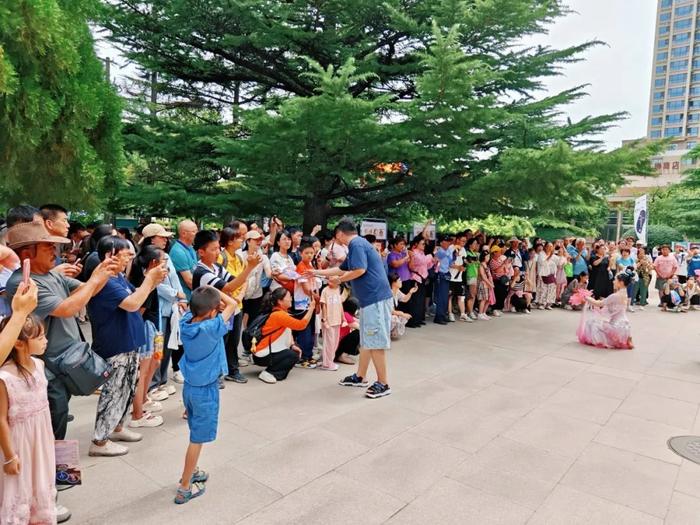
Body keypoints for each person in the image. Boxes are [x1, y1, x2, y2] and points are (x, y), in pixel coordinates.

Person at [88, 237, 168, 454]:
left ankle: (117, 427)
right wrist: (150, 280)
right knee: (114, 392)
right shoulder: (106, 281)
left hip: (128, 341)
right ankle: (100, 441)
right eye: (125, 255)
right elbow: (132, 304)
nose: (129, 260)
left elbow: (136, 296)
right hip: (115, 345)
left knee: (126, 389)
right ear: (109, 255)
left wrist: (153, 281)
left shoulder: (118, 278)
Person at [311, 219, 394, 399]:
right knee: (367, 340)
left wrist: (339, 280)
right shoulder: (358, 244)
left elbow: (360, 270)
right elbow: (340, 269)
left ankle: (383, 383)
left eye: (336, 235)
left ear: (340, 233)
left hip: (375, 299)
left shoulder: (356, 244)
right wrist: (315, 272)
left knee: (375, 341)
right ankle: (360, 376)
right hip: (370, 300)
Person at [175, 286, 237, 504]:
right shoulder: (212, 327)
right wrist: (217, 291)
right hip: (206, 390)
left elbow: (198, 309)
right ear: (213, 310)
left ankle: (192, 471)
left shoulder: (185, 323)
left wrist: (209, 299)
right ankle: (184, 486)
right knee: (197, 439)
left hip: (190, 387)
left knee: (195, 430)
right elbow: (233, 304)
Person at [0, 311, 56, 525]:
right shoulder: (5, 377)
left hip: (41, 442)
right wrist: (9, 456)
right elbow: (1, 419)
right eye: (40, 337)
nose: (46, 341)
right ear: (19, 344)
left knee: (40, 486)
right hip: (18, 445)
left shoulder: (39, 365)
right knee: (18, 491)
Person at [192, 230, 260, 384]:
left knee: (231, 343)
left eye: (218, 248)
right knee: (214, 346)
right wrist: (250, 268)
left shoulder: (217, 267)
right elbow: (229, 286)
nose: (218, 252)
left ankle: (228, 371)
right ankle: (212, 375)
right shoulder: (202, 272)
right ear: (201, 252)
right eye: (213, 249)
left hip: (225, 312)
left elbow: (235, 280)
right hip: (208, 318)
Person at [127, 245, 170, 429]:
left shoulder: (149, 282)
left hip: (152, 328)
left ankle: (143, 400)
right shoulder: (145, 284)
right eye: (164, 263)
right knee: (142, 374)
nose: (166, 269)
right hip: (145, 329)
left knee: (153, 365)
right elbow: (138, 311)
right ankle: (137, 415)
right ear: (153, 263)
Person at [253, 288, 315, 383]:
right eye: (289, 296)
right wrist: (311, 309)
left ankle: (273, 371)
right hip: (263, 354)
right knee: (292, 355)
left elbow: (288, 331)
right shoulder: (279, 315)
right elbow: (301, 325)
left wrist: (292, 345)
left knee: (294, 354)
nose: (291, 299)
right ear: (280, 301)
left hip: (265, 353)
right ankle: (269, 372)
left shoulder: (281, 313)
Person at [168, 220, 199, 384]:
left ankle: (185, 366)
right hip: (183, 301)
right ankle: (177, 369)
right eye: (193, 231)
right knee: (180, 336)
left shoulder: (191, 249)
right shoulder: (178, 251)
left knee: (187, 336)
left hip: (191, 299)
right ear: (184, 233)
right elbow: (189, 280)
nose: (196, 233)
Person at [577, 271, 634, 350]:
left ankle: (608, 340)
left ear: (621, 283)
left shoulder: (615, 296)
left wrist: (586, 297)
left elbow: (599, 303)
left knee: (591, 323)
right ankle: (627, 338)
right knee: (598, 322)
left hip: (616, 327)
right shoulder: (625, 294)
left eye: (615, 280)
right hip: (625, 326)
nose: (613, 282)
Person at [293, 241, 319, 368]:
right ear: (300, 253)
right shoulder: (301, 267)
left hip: (311, 303)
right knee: (305, 330)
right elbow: (306, 288)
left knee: (311, 329)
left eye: (311, 253)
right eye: (306, 253)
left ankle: (308, 355)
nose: (309, 255)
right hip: (303, 304)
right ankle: (303, 357)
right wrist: (317, 297)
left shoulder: (310, 266)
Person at [407, 236, 433, 327]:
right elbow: (421, 261)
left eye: (424, 244)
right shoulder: (414, 253)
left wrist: (433, 261)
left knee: (421, 300)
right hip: (415, 278)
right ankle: (413, 320)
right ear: (416, 244)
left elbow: (427, 266)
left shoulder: (422, 253)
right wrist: (430, 256)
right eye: (422, 244)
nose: (424, 245)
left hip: (423, 278)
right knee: (415, 301)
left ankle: (419, 319)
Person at [319, 277, 343, 370]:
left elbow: (340, 304)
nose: (329, 281)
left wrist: (343, 318)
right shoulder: (325, 290)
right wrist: (324, 319)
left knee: (335, 342)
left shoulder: (338, 289)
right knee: (329, 343)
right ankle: (327, 364)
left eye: (331, 280)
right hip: (329, 320)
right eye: (329, 280)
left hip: (337, 320)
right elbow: (323, 305)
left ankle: (330, 361)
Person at [432, 234, 454, 325]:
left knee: (445, 296)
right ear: (441, 242)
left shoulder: (448, 250)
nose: (448, 243)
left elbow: (450, 262)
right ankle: (439, 317)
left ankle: (443, 315)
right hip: (440, 274)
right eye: (446, 241)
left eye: (449, 241)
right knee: (441, 297)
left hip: (446, 273)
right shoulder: (440, 251)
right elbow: (444, 255)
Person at [448, 233, 469, 322]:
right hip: (450, 276)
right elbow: (448, 263)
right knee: (450, 296)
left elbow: (464, 261)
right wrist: (458, 267)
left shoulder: (463, 250)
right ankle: (450, 313)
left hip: (459, 277)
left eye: (465, 241)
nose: (464, 242)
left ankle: (463, 314)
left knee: (461, 296)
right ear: (457, 240)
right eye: (462, 241)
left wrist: (464, 267)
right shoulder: (451, 248)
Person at [389, 273, 416, 339]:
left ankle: (392, 332)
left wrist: (410, 292)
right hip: (385, 315)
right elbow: (391, 311)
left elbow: (404, 299)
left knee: (402, 317)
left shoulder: (397, 291)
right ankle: (387, 332)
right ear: (394, 283)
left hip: (390, 313)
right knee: (396, 318)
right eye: (399, 280)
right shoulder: (389, 293)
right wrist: (403, 314)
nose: (401, 282)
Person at [335, 299, 360, 365]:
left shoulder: (345, 314)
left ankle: (342, 354)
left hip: (336, 345)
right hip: (336, 347)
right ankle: (342, 356)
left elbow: (358, 321)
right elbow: (359, 327)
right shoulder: (346, 315)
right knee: (358, 333)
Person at [536, 242, 559, 309]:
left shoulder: (554, 255)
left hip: (551, 275)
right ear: (545, 247)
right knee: (543, 289)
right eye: (548, 246)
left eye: (551, 247)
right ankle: (541, 303)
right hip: (543, 274)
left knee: (551, 289)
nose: (550, 248)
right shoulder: (541, 254)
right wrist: (550, 256)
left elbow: (559, 262)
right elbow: (542, 263)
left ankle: (548, 303)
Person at [476, 250, 494, 321]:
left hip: (487, 284)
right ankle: (480, 314)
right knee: (483, 299)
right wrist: (490, 284)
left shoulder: (486, 265)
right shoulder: (481, 265)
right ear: (483, 257)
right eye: (487, 256)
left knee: (487, 299)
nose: (488, 258)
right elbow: (483, 276)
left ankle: (483, 313)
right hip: (483, 283)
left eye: (489, 256)